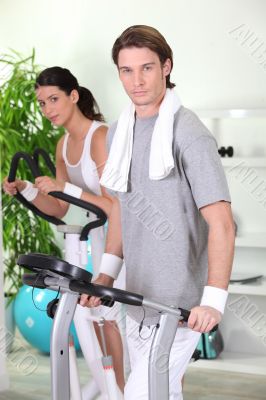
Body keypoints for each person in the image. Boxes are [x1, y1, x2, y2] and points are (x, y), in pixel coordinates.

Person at [82, 25, 235, 399]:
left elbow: (222, 223)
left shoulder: (189, 133)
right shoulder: (119, 134)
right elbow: (121, 207)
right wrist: (106, 274)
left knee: (142, 394)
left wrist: (213, 303)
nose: (137, 81)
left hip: (180, 308)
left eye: (147, 68)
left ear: (166, 67)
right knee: (160, 394)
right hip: (137, 299)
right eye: (126, 70)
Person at [3, 66, 125, 394]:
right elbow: (59, 207)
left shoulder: (99, 137)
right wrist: (28, 189)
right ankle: (111, 387)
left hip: (122, 239)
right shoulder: (63, 144)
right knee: (94, 321)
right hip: (96, 238)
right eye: (42, 103)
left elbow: (115, 206)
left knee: (110, 321)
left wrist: (64, 188)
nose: (48, 109)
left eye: (54, 99)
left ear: (74, 95)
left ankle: (123, 391)